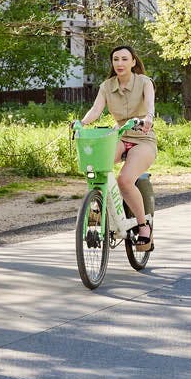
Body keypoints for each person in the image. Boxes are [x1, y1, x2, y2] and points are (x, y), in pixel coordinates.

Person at [80, 46, 157, 251]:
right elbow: (96, 109)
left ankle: (143, 226)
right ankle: (98, 220)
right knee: (97, 172)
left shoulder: (144, 82)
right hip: (119, 135)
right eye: (116, 59)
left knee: (124, 179)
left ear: (133, 62)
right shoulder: (107, 86)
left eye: (124, 59)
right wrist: (81, 123)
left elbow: (150, 106)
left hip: (143, 138)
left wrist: (147, 119)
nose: (119, 63)